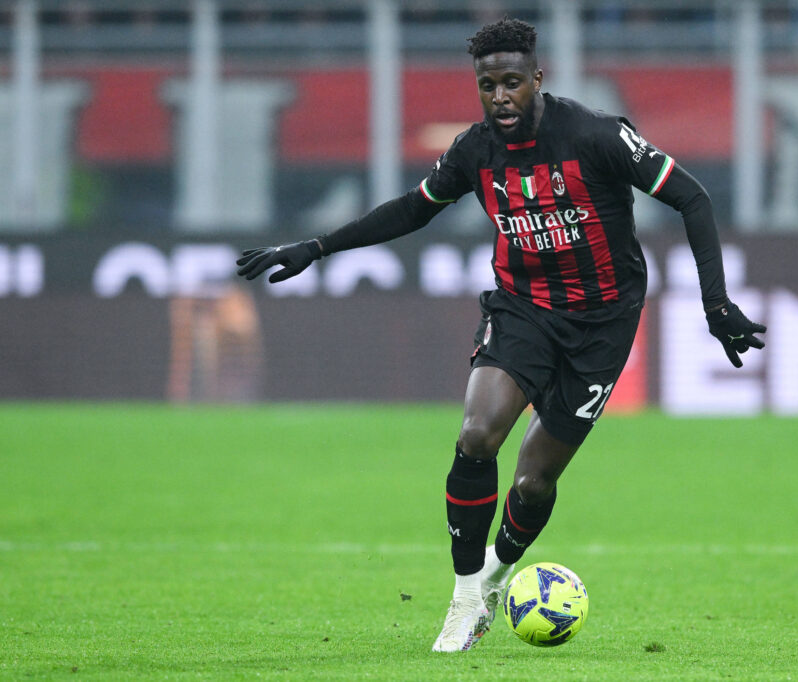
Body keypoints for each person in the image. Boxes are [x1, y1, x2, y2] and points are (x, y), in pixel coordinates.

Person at [236, 17, 766, 652]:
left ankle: (495, 574)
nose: (500, 97)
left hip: (603, 323)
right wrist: (318, 247)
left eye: (512, 82)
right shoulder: (475, 150)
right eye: (487, 86)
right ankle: (464, 598)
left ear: (537, 78)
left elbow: (693, 197)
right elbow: (414, 208)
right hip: (522, 308)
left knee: (534, 481)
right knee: (477, 433)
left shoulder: (595, 135)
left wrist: (716, 304)